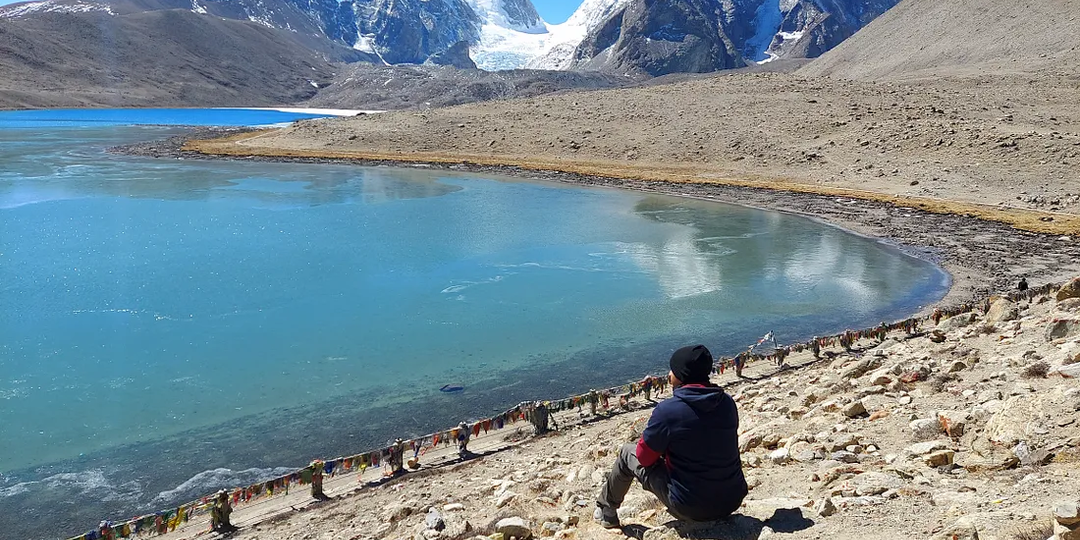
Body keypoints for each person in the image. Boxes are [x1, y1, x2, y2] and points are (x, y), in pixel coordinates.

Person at [595, 345, 748, 528]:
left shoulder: (668, 411)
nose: (669, 374)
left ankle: (607, 511)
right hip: (731, 500)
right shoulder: (727, 403)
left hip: (691, 507)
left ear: (681, 375)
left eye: (673, 370)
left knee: (628, 452)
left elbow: (644, 458)